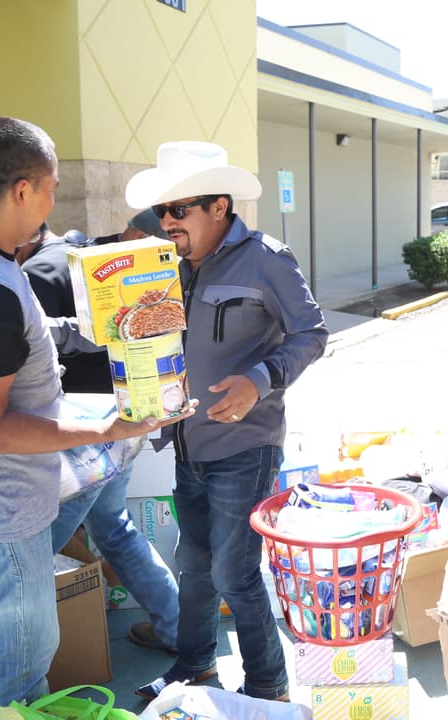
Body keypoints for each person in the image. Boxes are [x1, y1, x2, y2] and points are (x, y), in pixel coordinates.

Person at [0, 116, 191, 710]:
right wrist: (109, 427)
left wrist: (91, 328)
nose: (56, 200)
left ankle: (47, 541)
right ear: (22, 191)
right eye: (52, 187)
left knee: (112, 454)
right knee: (22, 660)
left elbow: (0, 343)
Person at [129, 141, 328, 703]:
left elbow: (312, 335)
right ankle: (194, 669)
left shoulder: (267, 258)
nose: (166, 223)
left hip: (246, 444)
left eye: (179, 210)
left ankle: (268, 688)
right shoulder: (165, 263)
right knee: (192, 565)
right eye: (160, 213)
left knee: (235, 574)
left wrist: (260, 379)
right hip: (187, 441)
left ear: (219, 206)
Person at [18, 220, 181, 655]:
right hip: (121, 419)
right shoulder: (75, 264)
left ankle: (36, 652)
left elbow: (38, 346)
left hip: (84, 431)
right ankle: (174, 626)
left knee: (40, 543)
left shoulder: (37, 272)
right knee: (113, 528)